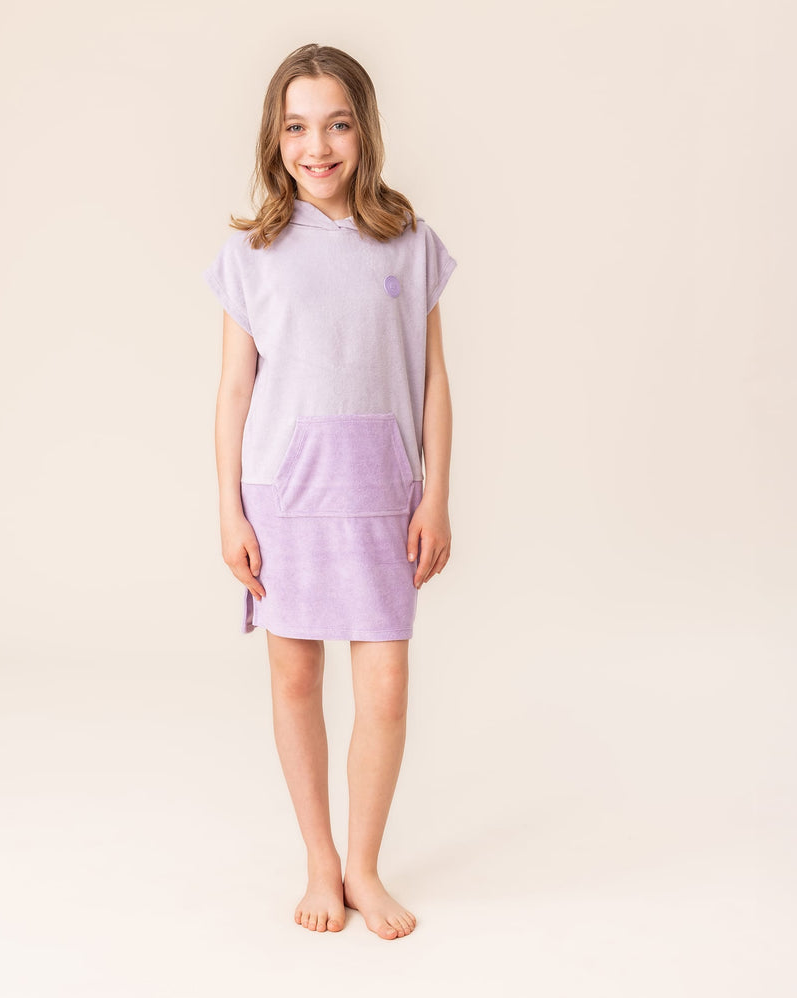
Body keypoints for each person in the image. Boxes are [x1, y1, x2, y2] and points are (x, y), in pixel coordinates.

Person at [205, 42, 456, 940]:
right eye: (298, 127)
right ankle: (319, 860)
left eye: (338, 124)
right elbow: (235, 391)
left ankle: (363, 866)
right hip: (286, 497)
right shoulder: (253, 253)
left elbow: (433, 382)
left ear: (365, 131)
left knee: (385, 689)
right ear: (275, 138)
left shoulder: (409, 241)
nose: (318, 146)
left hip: (384, 496)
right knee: (296, 677)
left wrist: (437, 496)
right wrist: (230, 511)